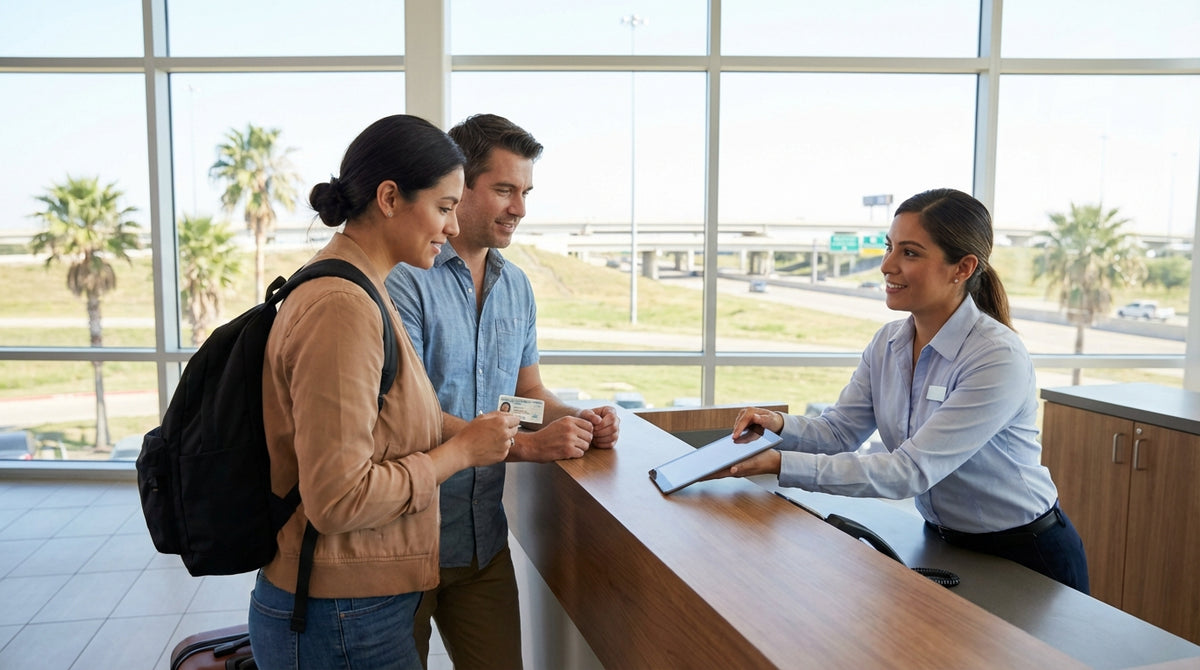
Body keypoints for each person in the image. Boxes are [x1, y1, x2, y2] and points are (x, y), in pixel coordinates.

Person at [249, 114, 521, 669]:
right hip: (339, 611)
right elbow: (339, 498)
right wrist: (461, 453)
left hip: (357, 604)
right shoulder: (342, 307)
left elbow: (403, 414)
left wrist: (471, 433)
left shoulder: (361, 289)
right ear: (390, 198)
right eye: (444, 208)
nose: (450, 228)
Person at [719, 188, 1090, 593]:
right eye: (889, 247)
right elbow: (841, 431)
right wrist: (779, 425)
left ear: (962, 267)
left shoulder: (996, 357)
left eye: (909, 253)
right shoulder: (888, 343)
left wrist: (780, 464)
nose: (886, 265)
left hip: (1026, 554)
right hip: (943, 542)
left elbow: (908, 472)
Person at [386, 113, 620, 669]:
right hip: (404, 543)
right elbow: (412, 417)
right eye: (505, 190)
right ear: (458, 186)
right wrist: (531, 448)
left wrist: (576, 418)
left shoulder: (516, 286)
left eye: (526, 192)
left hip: (483, 542)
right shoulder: (403, 279)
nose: (520, 208)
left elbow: (525, 393)